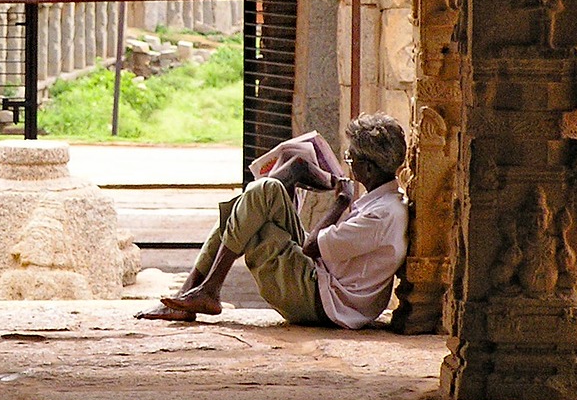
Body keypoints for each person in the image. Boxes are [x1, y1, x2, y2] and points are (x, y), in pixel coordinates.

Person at [136, 112, 409, 329]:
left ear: (369, 168)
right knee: (255, 202)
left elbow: (312, 247)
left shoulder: (382, 214)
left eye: (351, 159)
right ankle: (197, 292)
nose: (349, 165)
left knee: (251, 208)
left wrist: (340, 202)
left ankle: (206, 290)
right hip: (320, 280)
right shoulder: (380, 202)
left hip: (322, 302)